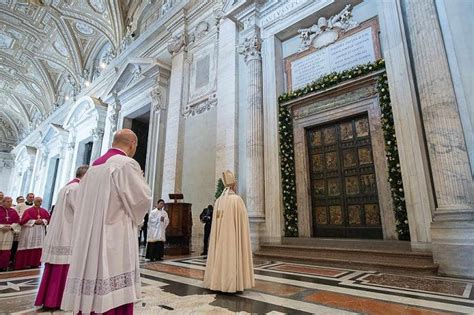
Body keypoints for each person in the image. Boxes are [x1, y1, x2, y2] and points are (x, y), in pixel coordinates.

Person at [61, 129, 152, 314]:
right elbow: (142, 199)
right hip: (115, 234)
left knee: (93, 286)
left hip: (89, 236)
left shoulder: (93, 167)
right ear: (133, 144)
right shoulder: (126, 164)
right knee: (112, 282)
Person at [35, 165, 89, 310]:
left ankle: (48, 299)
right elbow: (81, 212)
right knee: (63, 266)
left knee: (55, 267)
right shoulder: (77, 189)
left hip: (60, 232)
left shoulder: (65, 188)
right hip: (68, 233)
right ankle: (56, 300)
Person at [203, 170, 254, 293]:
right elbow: (243, 221)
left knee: (219, 256)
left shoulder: (219, 201)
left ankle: (217, 282)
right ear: (233, 185)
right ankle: (232, 284)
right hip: (232, 239)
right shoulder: (236, 200)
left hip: (220, 238)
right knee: (231, 256)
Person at [14, 197, 50, 270]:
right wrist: (34, 221)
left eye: (40, 201)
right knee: (27, 245)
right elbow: (23, 221)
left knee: (38, 246)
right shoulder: (28, 211)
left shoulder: (44, 211)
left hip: (40, 230)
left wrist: (43, 221)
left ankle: (35, 263)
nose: (39, 202)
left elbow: (48, 219)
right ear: (34, 201)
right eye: (37, 201)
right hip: (30, 230)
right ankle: (24, 263)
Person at [0, 197, 20, 271]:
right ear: (3, 202)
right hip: (0, 232)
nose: (10, 203)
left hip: (9, 232)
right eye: (8, 201)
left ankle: (3, 266)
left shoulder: (13, 211)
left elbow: (17, 222)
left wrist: (11, 226)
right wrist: (2, 226)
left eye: (11, 201)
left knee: (6, 250)